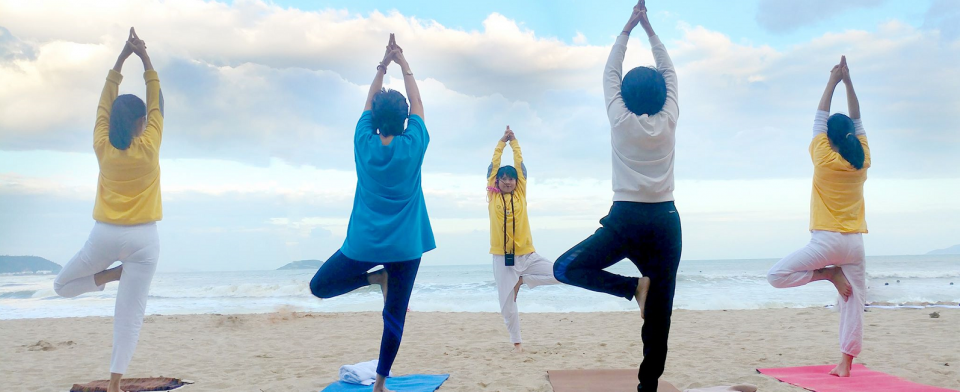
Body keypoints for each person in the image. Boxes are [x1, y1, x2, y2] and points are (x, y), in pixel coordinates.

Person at [552, 1, 681, 390]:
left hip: (625, 220)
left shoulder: (620, 119)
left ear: (624, 95)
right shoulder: (670, 118)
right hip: (664, 223)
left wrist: (628, 28)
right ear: (662, 96)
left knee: (565, 268)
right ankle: (648, 388)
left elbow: (611, 70)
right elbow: (670, 73)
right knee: (659, 317)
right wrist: (651, 31)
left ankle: (629, 288)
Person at [309, 33, 435, 392]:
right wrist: (404, 63)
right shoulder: (414, 144)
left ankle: (372, 278)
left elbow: (368, 101)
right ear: (406, 120)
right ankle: (379, 385)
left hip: (364, 244)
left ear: (376, 121)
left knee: (319, 287)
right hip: (406, 247)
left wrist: (383, 64)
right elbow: (419, 102)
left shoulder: (363, 141)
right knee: (393, 317)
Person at [52, 28, 164, 392]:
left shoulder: (102, 144)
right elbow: (157, 100)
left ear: (112, 121)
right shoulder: (150, 144)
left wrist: (121, 58)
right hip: (145, 240)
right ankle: (115, 384)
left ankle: (107, 278)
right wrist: (144, 57)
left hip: (104, 236)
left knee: (61, 286)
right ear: (140, 123)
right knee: (129, 318)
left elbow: (105, 101)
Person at [766, 55, 870, 377]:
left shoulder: (823, 158)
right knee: (854, 305)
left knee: (776, 276)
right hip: (853, 244)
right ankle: (845, 364)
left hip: (826, 243)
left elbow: (819, 118)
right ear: (852, 136)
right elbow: (857, 117)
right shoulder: (863, 159)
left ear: (829, 139)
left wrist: (833, 81)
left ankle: (826, 275)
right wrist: (849, 81)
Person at [486, 126, 560, 353]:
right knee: (507, 305)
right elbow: (492, 166)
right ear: (497, 182)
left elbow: (520, 166)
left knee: (563, 274)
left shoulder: (520, 194)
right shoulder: (492, 195)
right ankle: (517, 342)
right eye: (503, 179)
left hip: (527, 254)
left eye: (511, 179)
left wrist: (514, 143)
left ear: (517, 183)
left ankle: (525, 280)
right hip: (502, 258)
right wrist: (501, 143)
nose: (507, 182)